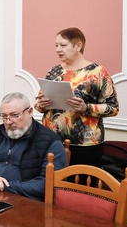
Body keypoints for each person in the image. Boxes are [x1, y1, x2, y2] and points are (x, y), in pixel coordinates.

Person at [34, 27, 119, 167]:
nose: (58, 49)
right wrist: (40, 104)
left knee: (81, 181)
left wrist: (86, 108)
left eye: (63, 45)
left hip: (85, 144)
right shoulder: (54, 71)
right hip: (52, 141)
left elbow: (113, 107)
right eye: (56, 45)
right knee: (51, 179)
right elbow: (37, 103)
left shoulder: (98, 72)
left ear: (78, 46)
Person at [0, 92, 66, 201]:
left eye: (15, 115)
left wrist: (3, 186)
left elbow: (47, 184)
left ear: (30, 112)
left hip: (22, 202)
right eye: (4, 116)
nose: (8, 122)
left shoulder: (50, 141)